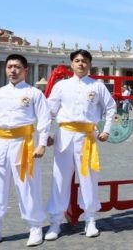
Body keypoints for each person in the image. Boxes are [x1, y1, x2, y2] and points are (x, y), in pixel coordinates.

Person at [0, 54, 51, 249]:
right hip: (0, 143)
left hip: (23, 143)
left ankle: (34, 227)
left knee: (28, 186)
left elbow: (44, 120)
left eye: (17, 67)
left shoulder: (34, 93)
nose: (13, 70)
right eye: (9, 66)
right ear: (5, 69)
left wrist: (41, 143)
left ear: (25, 70)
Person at [45, 49, 116, 241]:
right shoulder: (61, 86)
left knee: (88, 178)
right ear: (71, 64)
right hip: (64, 135)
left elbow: (111, 107)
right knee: (59, 178)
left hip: (86, 136)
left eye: (84, 61)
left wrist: (106, 129)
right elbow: (49, 112)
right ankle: (55, 221)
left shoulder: (97, 86)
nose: (81, 64)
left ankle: (90, 219)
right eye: (77, 60)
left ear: (89, 64)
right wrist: (47, 135)